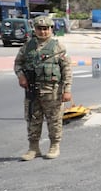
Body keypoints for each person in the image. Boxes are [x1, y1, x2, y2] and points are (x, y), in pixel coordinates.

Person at [14, 16, 73, 160]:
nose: (43, 31)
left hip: (52, 91)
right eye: (40, 29)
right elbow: (18, 63)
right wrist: (21, 76)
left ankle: (54, 146)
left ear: (51, 29)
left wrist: (67, 89)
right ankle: (34, 148)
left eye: (46, 28)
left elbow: (67, 69)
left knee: (54, 119)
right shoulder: (27, 47)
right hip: (32, 91)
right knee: (33, 119)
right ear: (35, 29)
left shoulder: (58, 47)